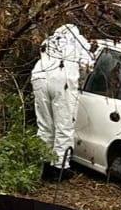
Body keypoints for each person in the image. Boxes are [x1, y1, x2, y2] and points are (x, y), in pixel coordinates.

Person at [31, 23, 94, 180]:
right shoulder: (79, 42)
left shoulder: (48, 41)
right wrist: (80, 80)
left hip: (39, 78)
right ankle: (60, 169)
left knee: (45, 125)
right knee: (64, 126)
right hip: (62, 81)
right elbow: (87, 65)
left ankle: (44, 165)